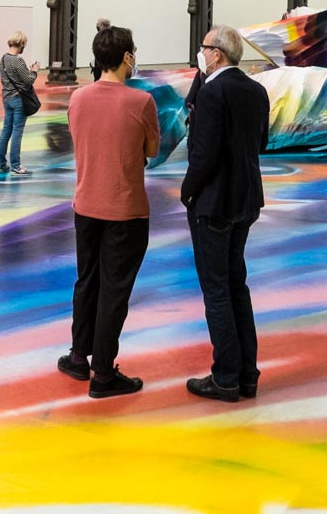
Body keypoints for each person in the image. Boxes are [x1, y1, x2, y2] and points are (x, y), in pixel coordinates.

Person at [60, 24, 160, 398]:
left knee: (87, 281)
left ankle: (78, 356)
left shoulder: (78, 98)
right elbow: (152, 151)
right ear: (127, 57)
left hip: (85, 205)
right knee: (114, 291)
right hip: (125, 210)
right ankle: (103, 374)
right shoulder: (141, 102)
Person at [181, 26, 270, 403]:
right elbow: (261, 142)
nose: (201, 54)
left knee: (216, 289)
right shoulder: (257, 90)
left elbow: (202, 155)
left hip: (214, 203)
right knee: (236, 285)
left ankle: (226, 377)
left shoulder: (212, 93)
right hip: (246, 200)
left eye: (203, 48)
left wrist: (187, 191)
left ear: (216, 53)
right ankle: (247, 374)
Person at [0, 31, 39, 176]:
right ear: (21, 44)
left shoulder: (3, 59)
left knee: (6, 131)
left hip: (6, 98)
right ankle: (16, 165)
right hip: (18, 99)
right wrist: (34, 71)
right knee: (17, 131)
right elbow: (29, 80)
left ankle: (1, 163)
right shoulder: (18, 61)